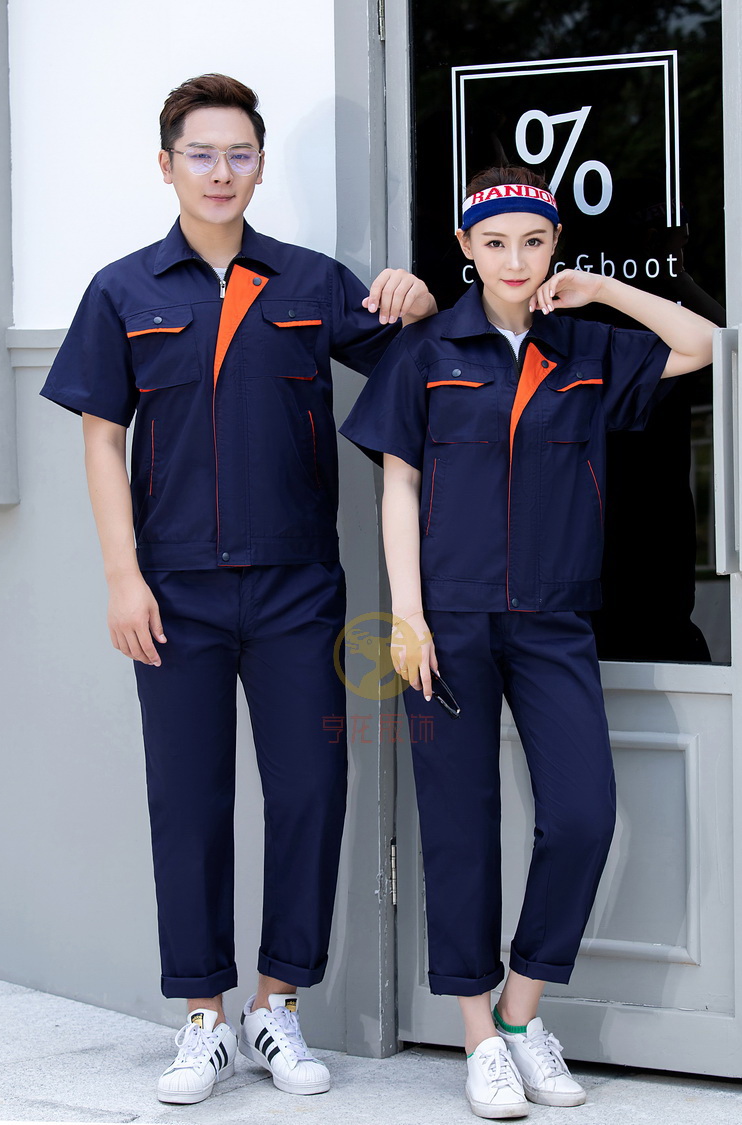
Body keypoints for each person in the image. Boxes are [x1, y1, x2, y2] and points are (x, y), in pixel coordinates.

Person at [40, 74, 435, 1106]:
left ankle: (276, 1006)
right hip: (174, 593)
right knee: (189, 802)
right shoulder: (122, 290)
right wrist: (122, 577)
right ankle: (204, 1019)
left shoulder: (309, 281)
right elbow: (101, 438)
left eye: (240, 154)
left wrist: (419, 296)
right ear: (166, 164)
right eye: (202, 154)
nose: (221, 171)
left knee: (311, 791)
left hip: (299, 589)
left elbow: (417, 357)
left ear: (259, 166)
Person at [340, 165, 714, 1119]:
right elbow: (398, 486)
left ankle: (520, 1011)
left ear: (555, 247)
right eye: (496, 242)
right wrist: (409, 615)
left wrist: (603, 290)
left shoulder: (586, 346)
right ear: (466, 248)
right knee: (458, 827)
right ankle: (479, 1039)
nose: (515, 260)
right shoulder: (426, 350)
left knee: (583, 815)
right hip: (446, 623)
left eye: (535, 242)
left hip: (555, 621)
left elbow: (704, 344)